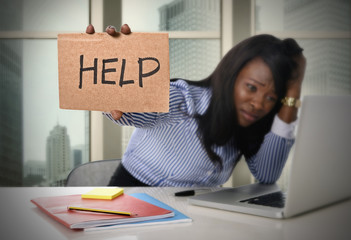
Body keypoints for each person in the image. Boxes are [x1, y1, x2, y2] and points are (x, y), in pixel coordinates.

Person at [86, 24, 306, 187]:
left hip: (198, 212)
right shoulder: (184, 98)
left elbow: (267, 174)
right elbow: (133, 110)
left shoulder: (249, 123)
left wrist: (294, 90)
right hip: (136, 197)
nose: (259, 103)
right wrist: (113, 82)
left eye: (271, 98)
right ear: (231, 76)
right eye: (251, 87)